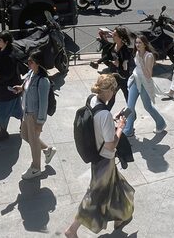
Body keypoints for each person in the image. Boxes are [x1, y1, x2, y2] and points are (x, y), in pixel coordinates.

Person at [64, 75, 134, 237]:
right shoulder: (104, 115)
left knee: (119, 186)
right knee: (94, 195)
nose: (114, 92)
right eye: (114, 90)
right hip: (104, 159)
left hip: (95, 152)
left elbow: (98, 122)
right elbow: (111, 144)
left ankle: (121, 217)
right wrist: (120, 127)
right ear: (109, 90)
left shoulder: (92, 100)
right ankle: (71, 230)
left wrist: (111, 119)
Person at [13, 50, 56, 180]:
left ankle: (36, 168)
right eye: (29, 61)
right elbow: (26, 84)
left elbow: (43, 104)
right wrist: (21, 88)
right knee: (25, 135)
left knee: (33, 140)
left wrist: (40, 123)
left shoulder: (43, 81)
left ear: (38, 63)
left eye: (31, 61)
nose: (28, 63)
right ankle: (48, 150)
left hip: (34, 115)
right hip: (26, 111)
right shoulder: (31, 73)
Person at [124, 35, 167, 137]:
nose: (137, 45)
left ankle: (160, 123)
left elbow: (148, 75)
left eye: (140, 43)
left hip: (145, 83)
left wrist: (142, 63)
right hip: (135, 80)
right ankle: (128, 129)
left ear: (145, 44)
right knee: (130, 106)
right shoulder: (137, 53)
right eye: (136, 43)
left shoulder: (149, 56)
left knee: (147, 106)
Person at [0, 31, 23, 142]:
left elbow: (8, 74)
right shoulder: (4, 50)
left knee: (3, 111)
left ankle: (3, 133)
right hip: (9, 90)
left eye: (0, 40)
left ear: (6, 42)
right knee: (17, 109)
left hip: (6, 90)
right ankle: (23, 126)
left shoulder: (9, 56)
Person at [106, 27, 133, 109]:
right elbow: (107, 57)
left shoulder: (125, 50)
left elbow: (126, 63)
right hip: (114, 75)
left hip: (122, 77)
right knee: (112, 96)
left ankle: (131, 114)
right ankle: (105, 113)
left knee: (126, 95)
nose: (112, 36)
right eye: (113, 34)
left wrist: (122, 63)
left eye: (114, 35)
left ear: (121, 38)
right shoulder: (113, 46)